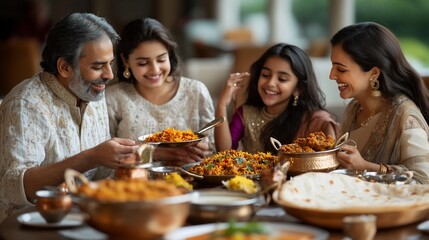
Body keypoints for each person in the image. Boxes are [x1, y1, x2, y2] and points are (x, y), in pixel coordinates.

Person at [0, 13, 139, 222]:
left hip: (84, 216)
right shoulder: (25, 104)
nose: (110, 74)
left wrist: (147, 155)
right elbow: (14, 187)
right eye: (97, 66)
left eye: (110, 63)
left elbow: (100, 174)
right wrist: (91, 156)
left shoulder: (92, 93)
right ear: (64, 67)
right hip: (31, 224)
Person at [106, 18, 215, 166]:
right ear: (125, 60)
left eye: (161, 59)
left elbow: (213, 153)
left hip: (189, 184)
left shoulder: (195, 91)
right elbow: (104, 164)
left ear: (169, 55)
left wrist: (203, 150)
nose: (155, 70)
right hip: (134, 185)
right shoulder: (113, 98)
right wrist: (156, 154)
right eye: (143, 63)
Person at [330, 22, 429, 184]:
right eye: (332, 66)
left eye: (341, 69)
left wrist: (365, 166)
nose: (331, 76)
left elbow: (423, 181)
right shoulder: (354, 108)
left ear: (374, 73)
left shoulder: (405, 116)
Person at [215, 43, 340, 153]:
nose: (270, 83)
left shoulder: (313, 120)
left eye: (282, 79)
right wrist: (222, 105)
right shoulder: (246, 113)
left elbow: (330, 154)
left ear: (298, 88)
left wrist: (326, 125)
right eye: (265, 75)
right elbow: (224, 152)